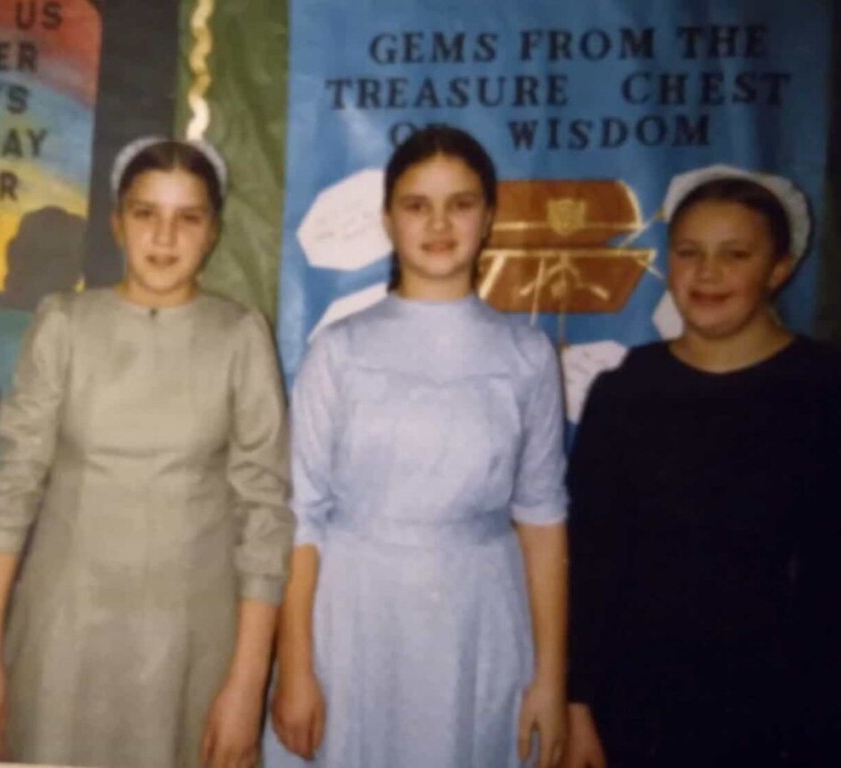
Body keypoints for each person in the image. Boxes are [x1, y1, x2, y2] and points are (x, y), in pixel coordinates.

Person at [0, 136, 293, 768]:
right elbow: (8, 496)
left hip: (192, 648)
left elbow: (266, 517)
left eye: (187, 218)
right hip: (62, 640)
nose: (164, 237)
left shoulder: (240, 337)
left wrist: (247, 685)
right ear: (117, 223)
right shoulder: (64, 323)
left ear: (214, 232)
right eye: (146, 214)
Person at [265, 124, 569, 768]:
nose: (439, 223)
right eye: (416, 205)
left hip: (478, 620)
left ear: (488, 218)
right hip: (354, 619)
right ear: (388, 219)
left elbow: (543, 518)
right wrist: (296, 669)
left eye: (459, 203)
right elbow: (301, 519)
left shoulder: (527, 355)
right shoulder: (339, 351)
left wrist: (549, 677)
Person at [562, 167, 841, 768]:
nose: (707, 273)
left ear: (779, 269)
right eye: (689, 253)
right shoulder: (626, 390)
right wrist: (576, 703)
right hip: (637, 707)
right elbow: (591, 559)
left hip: (790, 713)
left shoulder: (823, 391)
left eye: (734, 254)